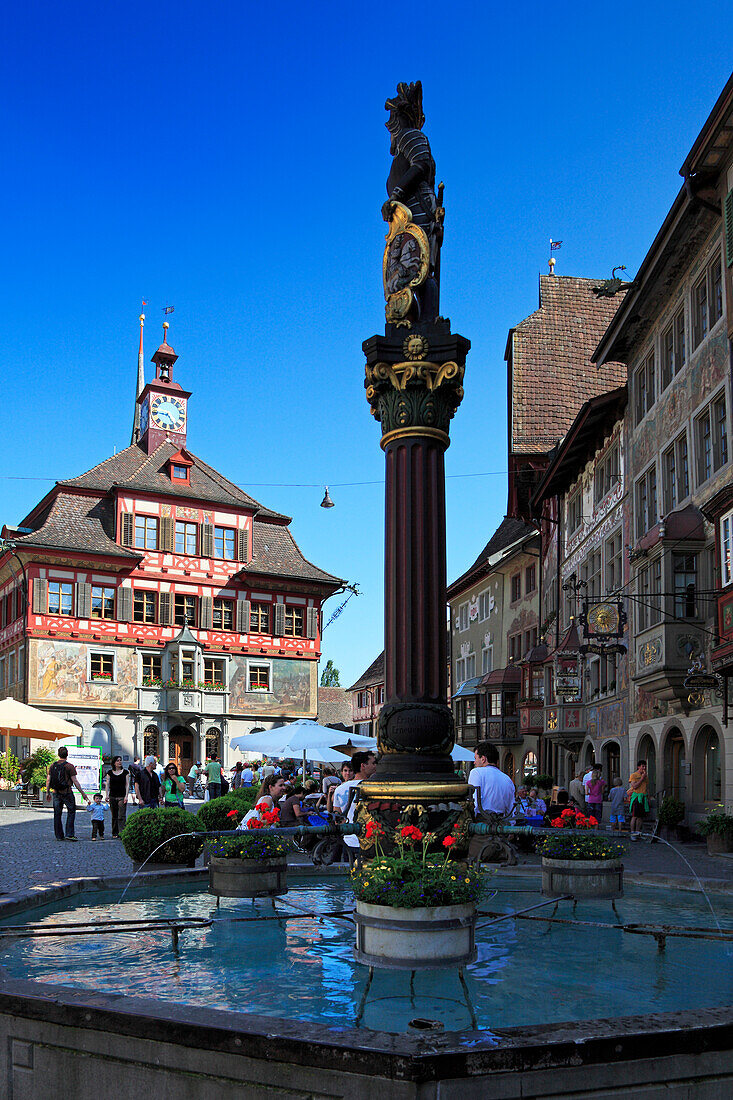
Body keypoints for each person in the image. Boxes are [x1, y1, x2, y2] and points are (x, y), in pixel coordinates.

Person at [333, 751, 377, 864]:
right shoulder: (374, 787)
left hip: (349, 842)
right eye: (373, 763)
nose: (375, 766)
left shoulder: (340, 789)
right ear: (363, 766)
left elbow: (337, 817)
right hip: (372, 842)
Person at [45, 745, 90, 841]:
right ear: (67, 754)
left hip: (56, 793)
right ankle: (69, 834)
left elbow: (48, 780)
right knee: (71, 812)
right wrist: (83, 793)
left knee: (57, 814)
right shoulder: (69, 766)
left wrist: (47, 792)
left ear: (58, 754)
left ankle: (59, 836)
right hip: (67, 792)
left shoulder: (53, 766)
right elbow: (75, 781)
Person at [467, 742, 516, 818]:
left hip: (482, 822)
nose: (474, 762)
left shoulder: (476, 772)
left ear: (483, 759)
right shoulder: (507, 778)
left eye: (475, 758)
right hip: (501, 824)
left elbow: (474, 802)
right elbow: (511, 809)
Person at [104, 756, 129, 838]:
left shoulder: (125, 772)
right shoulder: (110, 773)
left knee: (121, 815)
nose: (119, 762)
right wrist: (107, 795)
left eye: (120, 760)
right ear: (114, 763)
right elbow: (107, 784)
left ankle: (122, 832)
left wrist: (126, 796)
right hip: (112, 796)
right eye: (117, 761)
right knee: (114, 815)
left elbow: (127, 784)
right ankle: (115, 832)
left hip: (122, 796)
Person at [627, 760, 649, 840]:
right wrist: (642, 778)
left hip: (643, 797)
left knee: (640, 817)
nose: (644, 768)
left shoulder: (645, 776)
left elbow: (646, 786)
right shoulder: (634, 775)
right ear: (638, 767)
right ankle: (632, 833)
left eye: (645, 766)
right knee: (635, 816)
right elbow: (634, 786)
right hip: (636, 798)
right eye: (642, 766)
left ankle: (638, 832)